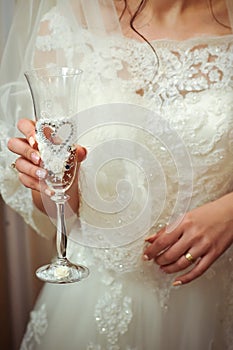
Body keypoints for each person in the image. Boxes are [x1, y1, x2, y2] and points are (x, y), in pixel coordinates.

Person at [1, 0, 233, 349]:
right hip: (92, 297)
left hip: (209, 293)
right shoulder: (64, 27)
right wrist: (52, 177)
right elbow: (61, 205)